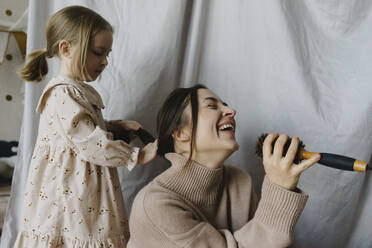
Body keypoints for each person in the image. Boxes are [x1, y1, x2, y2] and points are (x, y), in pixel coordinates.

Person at [14, 6, 157, 247]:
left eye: (108, 54)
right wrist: (137, 155)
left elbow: (82, 130)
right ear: (66, 48)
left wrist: (115, 127)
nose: (105, 62)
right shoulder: (63, 92)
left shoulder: (77, 90)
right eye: (98, 53)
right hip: (69, 195)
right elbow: (88, 141)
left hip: (84, 191)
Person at [127, 84, 321, 248]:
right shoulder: (153, 206)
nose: (231, 111)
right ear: (180, 133)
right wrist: (278, 189)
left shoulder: (239, 181)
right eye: (212, 106)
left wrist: (280, 188)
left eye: (226, 105)